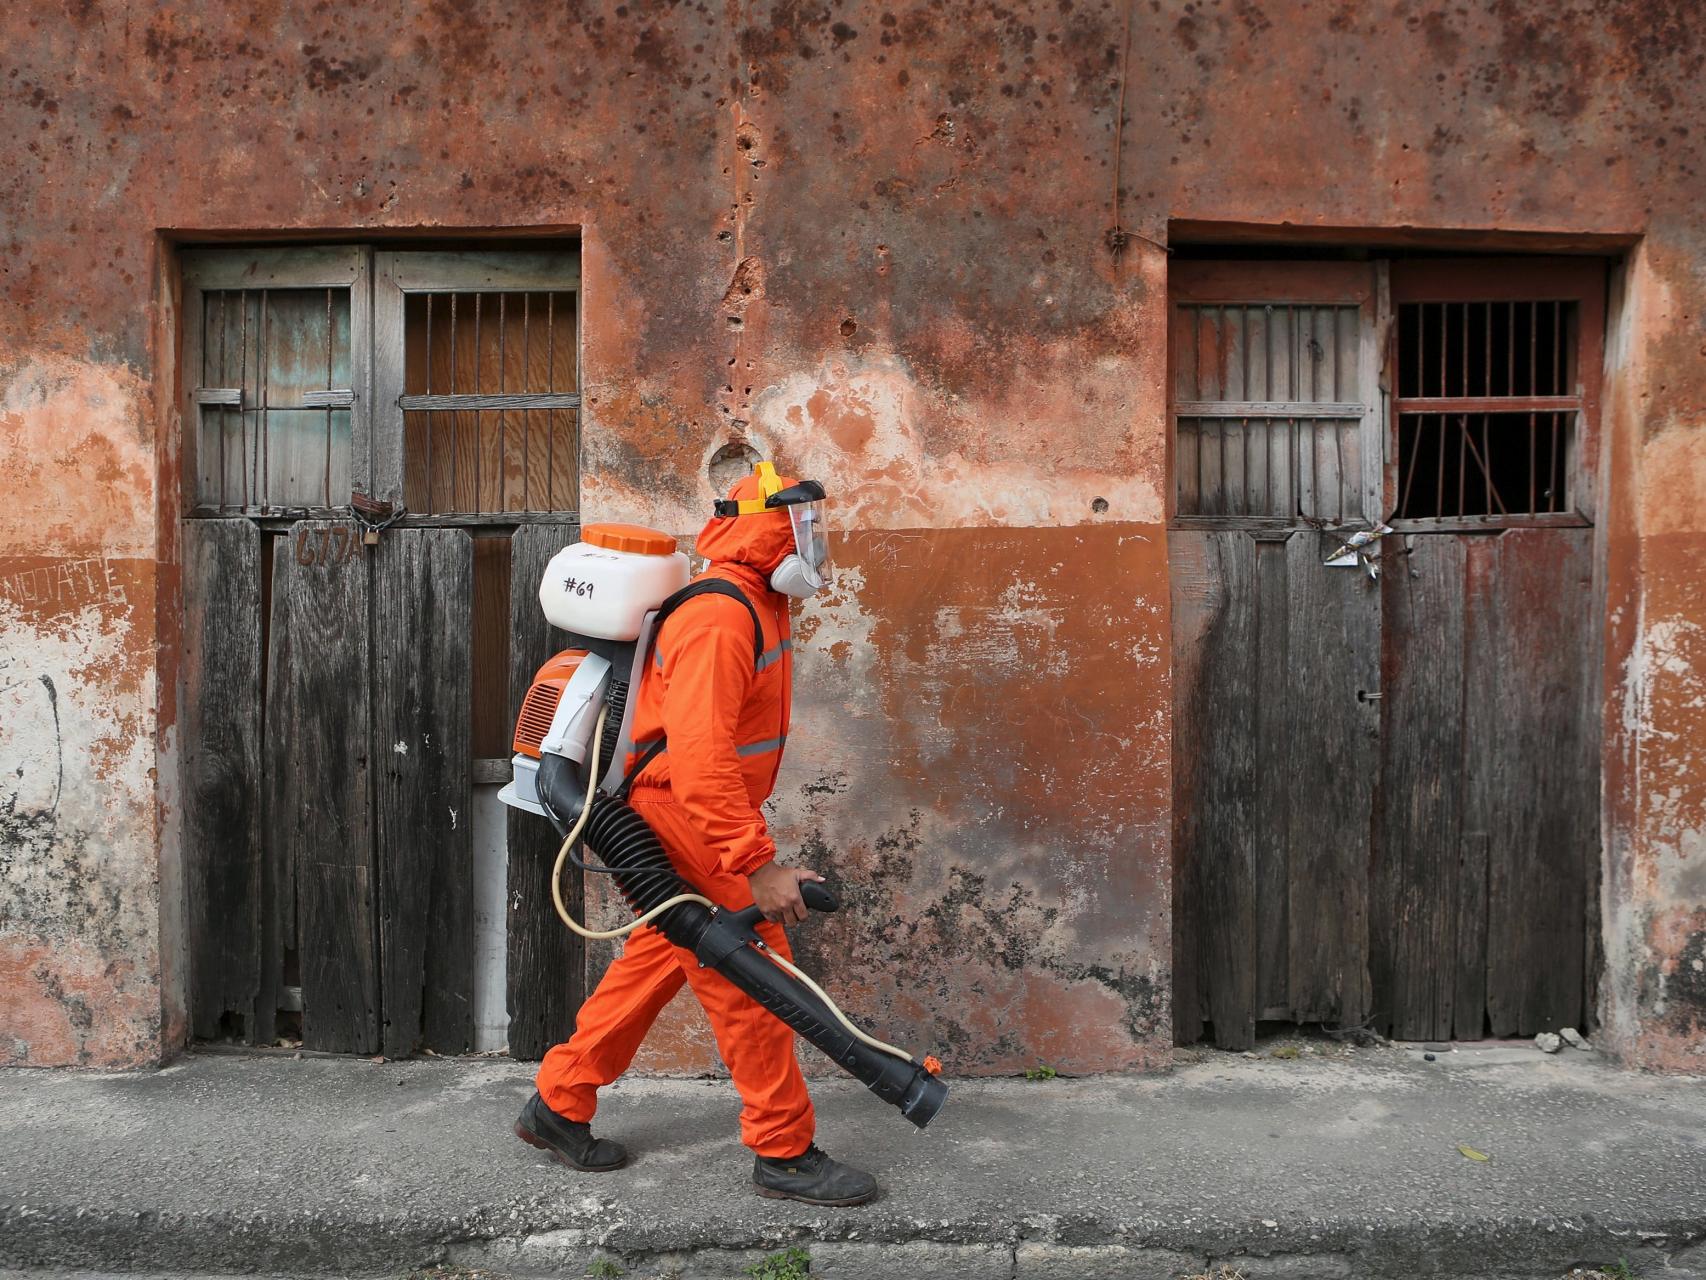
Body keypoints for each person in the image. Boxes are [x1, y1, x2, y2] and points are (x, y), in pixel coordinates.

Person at [514, 462, 879, 1207]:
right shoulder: (720, 616)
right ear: (763, 533)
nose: (813, 544)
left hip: (687, 817)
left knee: (654, 959)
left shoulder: (756, 604)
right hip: (687, 817)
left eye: (814, 528)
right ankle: (784, 1150)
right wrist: (755, 866)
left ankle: (558, 1103)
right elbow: (702, 761)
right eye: (800, 529)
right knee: (750, 977)